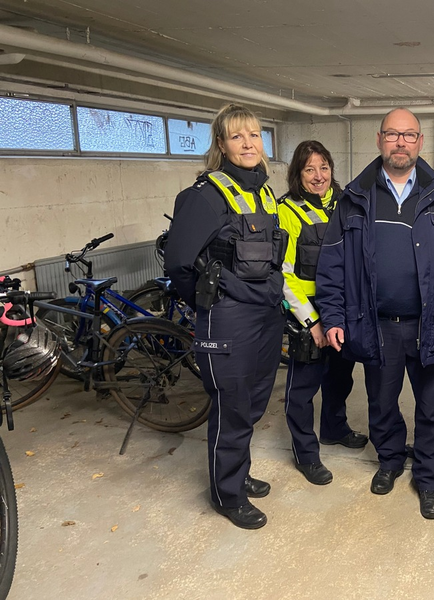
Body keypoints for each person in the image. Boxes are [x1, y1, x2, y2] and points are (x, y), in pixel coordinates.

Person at [315, 108, 434, 520]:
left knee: (433, 406)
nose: (400, 142)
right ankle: (389, 461)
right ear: (379, 139)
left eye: (409, 135)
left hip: (433, 323)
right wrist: (333, 318)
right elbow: (332, 263)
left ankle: (427, 478)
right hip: (377, 324)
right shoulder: (354, 196)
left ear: (421, 142)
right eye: (392, 134)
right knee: (382, 402)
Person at [164, 103, 286, 530]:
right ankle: (226, 495)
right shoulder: (204, 197)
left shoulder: (263, 192)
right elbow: (178, 263)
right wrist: (210, 303)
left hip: (267, 313)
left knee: (252, 404)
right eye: (237, 136)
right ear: (221, 144)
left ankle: (235, 472)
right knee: (232, 406)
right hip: (228, 316)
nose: (248, 143)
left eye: (254, 135)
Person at [278, 140, 368, 485]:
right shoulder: (288, 210)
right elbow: (284, 272)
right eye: (309, 169)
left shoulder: (345, 203)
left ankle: (334, 428)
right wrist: (310, 319)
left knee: (339, 377)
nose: (318, 176)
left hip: (344, 308)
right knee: (303, 387)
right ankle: (306, 454)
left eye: (324, 167)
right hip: (309, 311)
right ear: (298, 175)